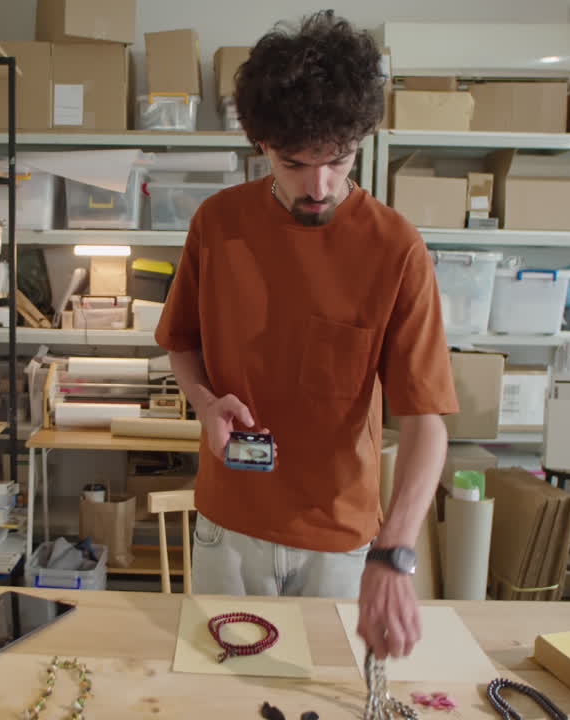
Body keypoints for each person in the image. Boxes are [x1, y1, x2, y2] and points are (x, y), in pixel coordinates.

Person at [153, 11, 458, 661]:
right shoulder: (217, 224)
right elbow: (182, 344)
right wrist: (205, 402)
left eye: (338, 162)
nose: (319, 186)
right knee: (219, 695)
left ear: (358, 143)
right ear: (261, 143)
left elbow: (427, 422)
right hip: (227, 531)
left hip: (342, 542)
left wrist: (394, 551)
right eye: (295, 164)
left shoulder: (395, 248)